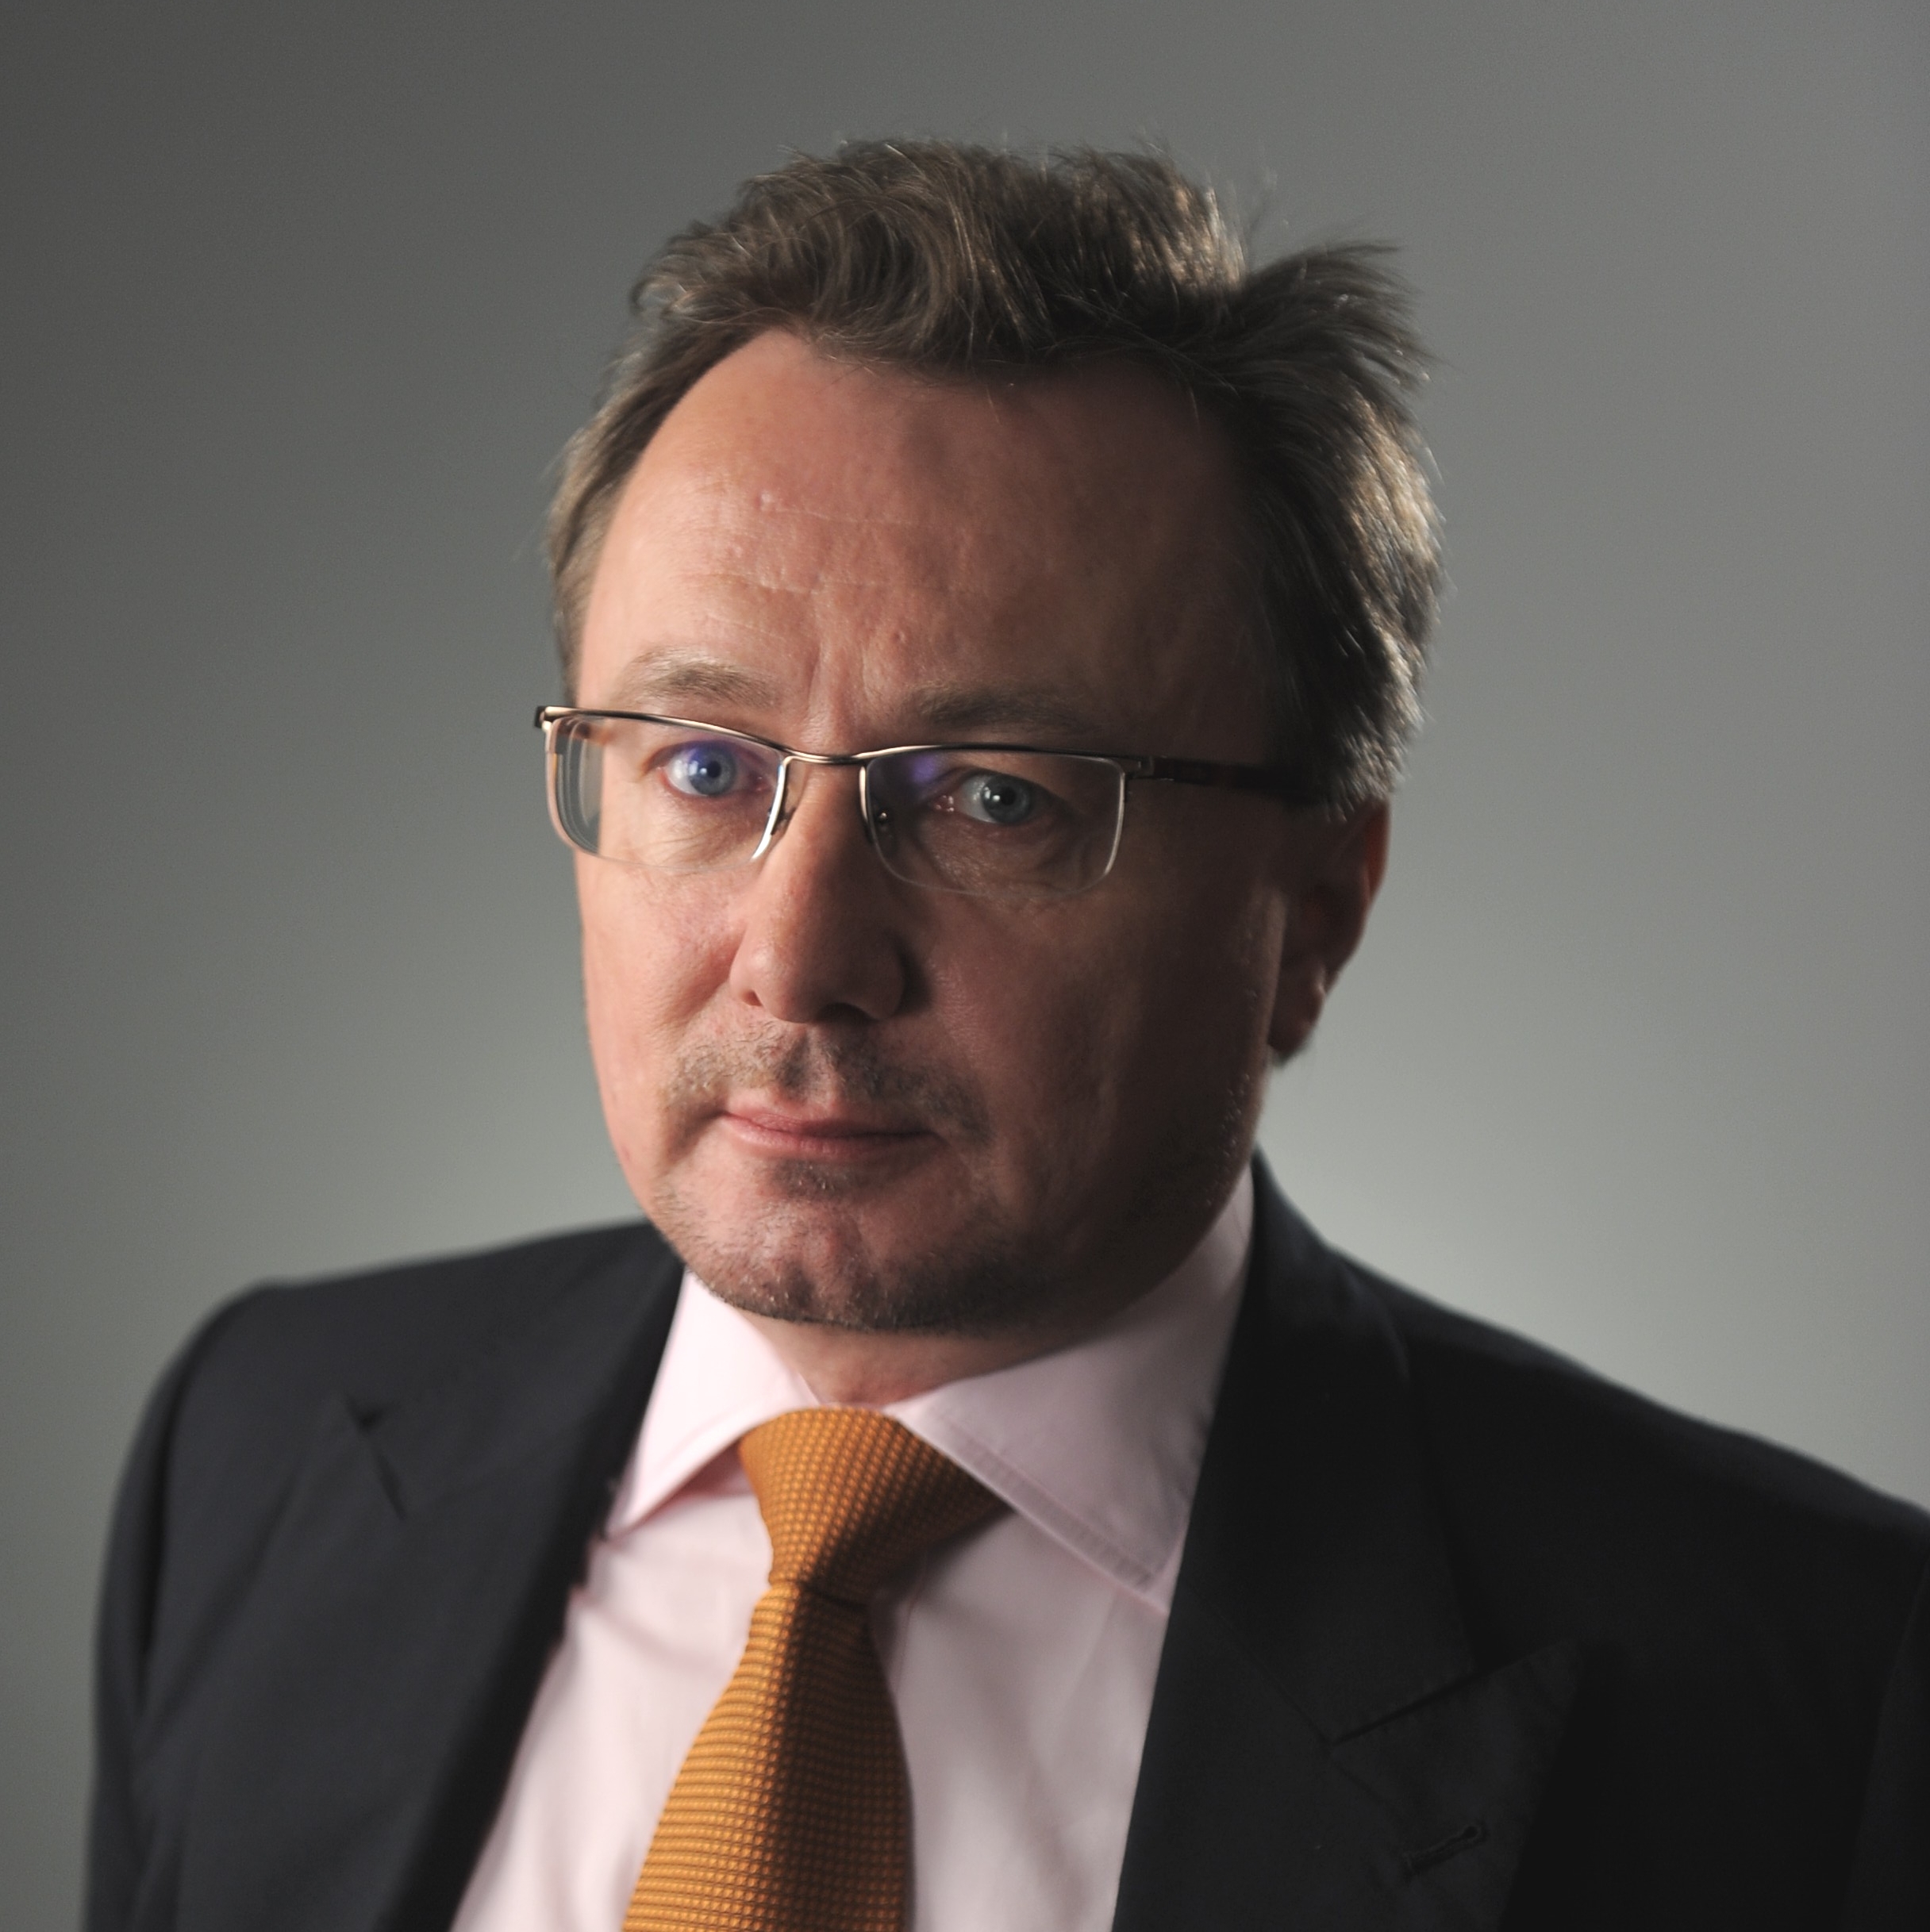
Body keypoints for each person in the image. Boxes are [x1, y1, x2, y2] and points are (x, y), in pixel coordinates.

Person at [86, 142, 1926, 1932]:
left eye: (993, 800)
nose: (798, 961)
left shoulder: (1816, 1699)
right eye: (704, 767)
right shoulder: (257, 1446)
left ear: (1313, 910)